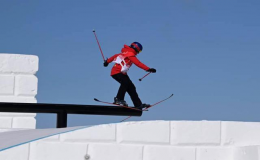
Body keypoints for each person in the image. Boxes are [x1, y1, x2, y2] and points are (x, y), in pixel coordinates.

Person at [103, 42, 156, 109]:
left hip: (121, 73)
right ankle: (118, 99)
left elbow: (115, 56)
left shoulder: (124, 53)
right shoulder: (130, 54)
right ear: (136, 49)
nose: (138, 52)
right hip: (117, 72)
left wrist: (107, 62)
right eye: (139, 51)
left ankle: (138, 104)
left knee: (131, 87)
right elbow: (138, 63)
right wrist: (148, 69)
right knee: (125, 83)